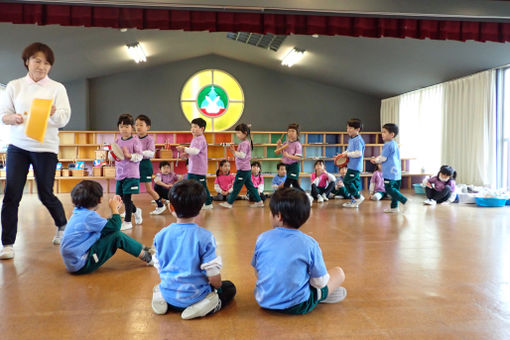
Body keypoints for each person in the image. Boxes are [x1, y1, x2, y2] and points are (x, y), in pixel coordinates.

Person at [0, 42, 71, 259]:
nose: (42, 66)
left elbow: (64, 118)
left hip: (46, 148)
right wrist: (12, 118)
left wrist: (52, 112)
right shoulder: (14, 85)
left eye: (47, 63)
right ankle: (8, 243)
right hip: (18, 147)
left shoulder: (57, 88)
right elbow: (4, 115)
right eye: (37, 61)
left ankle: (62, 225)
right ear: (27, 61)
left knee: (45, 193)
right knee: (12, 194)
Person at [251, 188, 347, 314]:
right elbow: (320, 282)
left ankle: (314, 294)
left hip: (264, 300)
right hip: (297, 305)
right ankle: (319, 296)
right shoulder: (309, 243)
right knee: (339, 273)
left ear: (278, 216)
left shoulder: (262, 238)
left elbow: (257, 273)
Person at [151, 180, 236, 319]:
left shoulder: (161, 235)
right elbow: (213, 274)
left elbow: (159, 266)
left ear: (171, 207)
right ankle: (208, 304)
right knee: (229, 287)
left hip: (170, 293)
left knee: (162, 285)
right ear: (200, 208)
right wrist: (217, 286)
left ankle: (161, 296)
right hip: (195, 296)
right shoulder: (205, 237)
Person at [60, 180, 154, 274]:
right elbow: (116, 226)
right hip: (82, 265)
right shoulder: (88, 217)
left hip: (73, 262)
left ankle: (143, 248)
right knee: (117, 236)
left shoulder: (79, 213)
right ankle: (148, 257)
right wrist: (114, 209)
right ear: (100, 199)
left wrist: (115, 210)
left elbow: (107, 227)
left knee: (108, 231)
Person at [109, 113, 143, 230]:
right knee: (121, 198)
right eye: (122, 126)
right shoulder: (117, 141)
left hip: (131, 174)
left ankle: (128, 221)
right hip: (120, 174)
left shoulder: (135, 140)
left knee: (127, 198)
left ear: (132, 128)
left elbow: (140, 156)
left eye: (127, 126)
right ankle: (136, 210)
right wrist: (110, 155)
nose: (124, 129)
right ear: (118, 127)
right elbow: (113, 156)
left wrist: (130, 155)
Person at [219, 123, 264, 208]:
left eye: (239, 133)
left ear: (245, 133)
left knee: (236, 186)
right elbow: (240, 155)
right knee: (250, 187)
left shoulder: (244, 143)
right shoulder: (245, 143)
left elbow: (242, 155)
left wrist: (234, 151)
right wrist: (233, 151)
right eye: (236, 133)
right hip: (245, 169)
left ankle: (229, 203)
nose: (237, 135)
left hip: (243, 170)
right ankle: (259, 201)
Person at [176, 118, 213, 209]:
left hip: (199, 169)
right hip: (193, 168)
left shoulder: (200, 139)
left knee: (202, 187)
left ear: (202, 129)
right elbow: (194, 152)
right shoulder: (195, 139)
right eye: (192, 127)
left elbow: (195, 151)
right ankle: (193, 203)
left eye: (195, 127)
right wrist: (187, 154)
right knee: (191, 186)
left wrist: (184, 148)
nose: (192, 129)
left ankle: (208, 203)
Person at [370, 123, 408, 213]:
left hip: (390, 173)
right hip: (397, 173)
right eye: (382, 132)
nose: (382, 134)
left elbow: (383, 158)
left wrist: (375, 160)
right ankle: (394, 207)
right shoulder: (394, 144)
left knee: (389, 189)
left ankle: (404, 200)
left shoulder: (387, 145)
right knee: (395, 189)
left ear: (392, 134)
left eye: (384, 132)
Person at [135, 114, 165, 215]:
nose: (138, 127)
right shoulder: (134, 138)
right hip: (135, 165)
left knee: (148, 189)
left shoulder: (149, 139)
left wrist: (139, 153)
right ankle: (129, 209)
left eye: (141, 125)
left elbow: (151, 153)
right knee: (131, 188)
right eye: (136, 125)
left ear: (147, 127)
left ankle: (161, 205)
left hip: (145, 165)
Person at [341, 118, 365, 208]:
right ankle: (355, 202)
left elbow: (358, 153)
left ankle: (358, 198)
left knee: (346, 181)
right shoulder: (351, 139)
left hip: (355, 167)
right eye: (347, 128)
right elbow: (349, 150)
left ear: (357, 129)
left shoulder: (358, 140)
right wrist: (344, 153)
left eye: (350, 128)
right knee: (354, 184)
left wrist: (347, 154)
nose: (348, 130)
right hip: (351, 166)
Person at [275, 123, 304, 191]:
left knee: (286, 185)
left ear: (297, 133)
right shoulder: (285, 143)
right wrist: (278, 145)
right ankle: (306, 197)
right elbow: (277, 152)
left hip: (293, 167)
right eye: (289, 131)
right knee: (295, 185)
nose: (291, 133)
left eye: (293, 131)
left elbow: (298, 158)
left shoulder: (297, 144)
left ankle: (283, 199)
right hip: (286, 167)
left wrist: (288, 156)